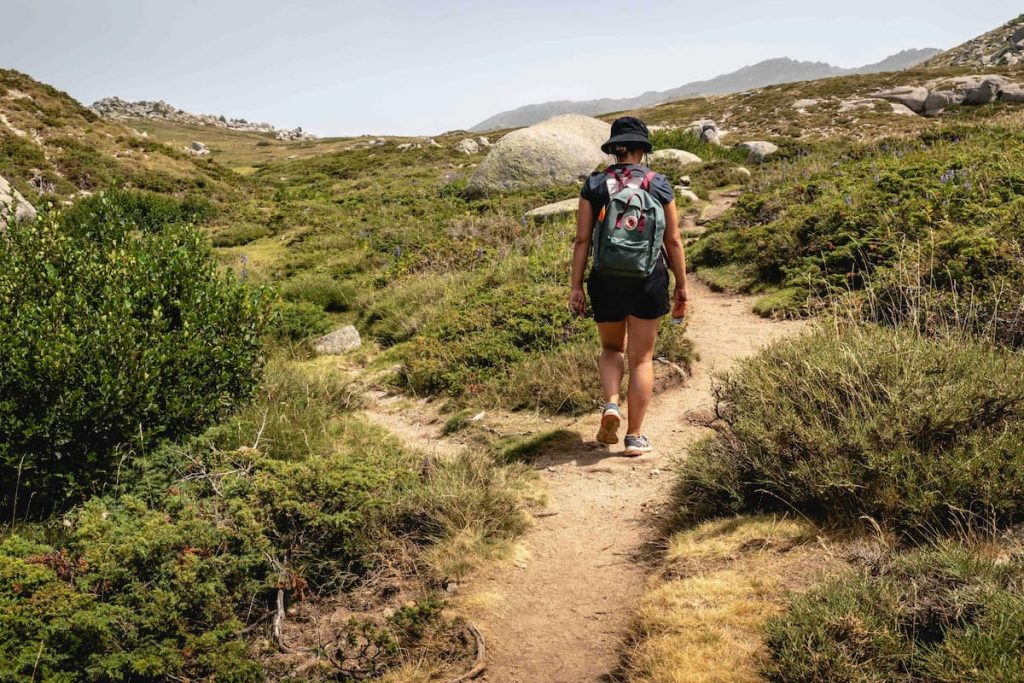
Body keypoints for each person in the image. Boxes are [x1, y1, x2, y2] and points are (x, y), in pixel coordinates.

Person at [568, 116, 688, 457]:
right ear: (641, 149)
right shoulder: (658, 183)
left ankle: (611, 404)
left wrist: (576, 287)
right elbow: (673, 240)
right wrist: (681, 285)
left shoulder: (595, 184)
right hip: (648, 278)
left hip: (605, 279)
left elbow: (582, 240)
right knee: (642, 359)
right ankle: (634, 436)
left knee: (611, 349)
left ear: (614, 150)